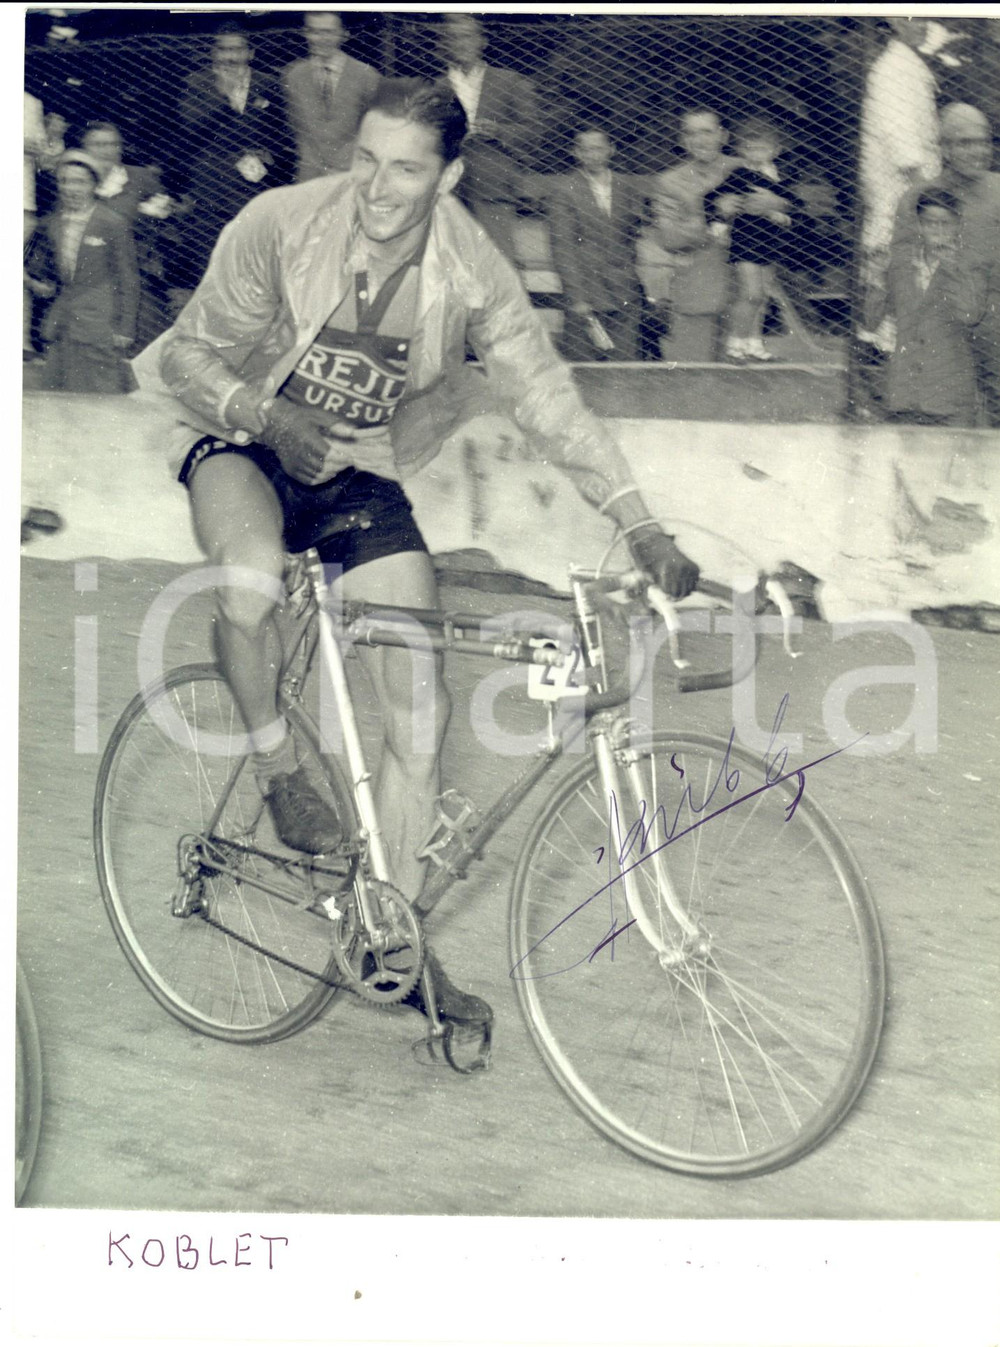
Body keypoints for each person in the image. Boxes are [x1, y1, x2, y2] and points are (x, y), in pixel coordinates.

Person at [131, 78, 700, 1027]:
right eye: (365, 158)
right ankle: (277, 770)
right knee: (252, 576)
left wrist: (640, 521)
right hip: (236, 434)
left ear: (450, 175)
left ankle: (384, 935)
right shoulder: (281, 222)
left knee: (420, 703)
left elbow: (548, 398)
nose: (377, 186)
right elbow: (192, 355)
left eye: (404, 168)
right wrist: (268, 415)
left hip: (353, 467)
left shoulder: (473, 269)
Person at [175, 22, 293, 286]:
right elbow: (192, 131)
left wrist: (267, 154)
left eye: (237, 49)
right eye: (223, 49)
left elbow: (281, 132)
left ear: (250, 53)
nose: (229, 56)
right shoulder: (196, 83)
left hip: (253, 186)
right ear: (213, 53)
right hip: (210, 185)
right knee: (210, 260)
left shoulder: (269, 83)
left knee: (253, 259)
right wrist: (225, 100)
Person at [25, 149, 138, 393]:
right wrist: (37, 284)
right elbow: (50, 276)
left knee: (101, 392)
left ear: (94, 185)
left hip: (99, 322)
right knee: (58, 393)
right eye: (64, 181)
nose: (71, 188)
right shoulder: (53, 223)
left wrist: (125, 328)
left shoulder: (112, 222)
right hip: (64, 322)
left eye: (79, 182)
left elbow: (128, 278)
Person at [866, 189, 979, 424]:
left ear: (958, 225)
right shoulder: (900, 266)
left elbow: (970, 314)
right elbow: (870, 320)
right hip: (906, 390)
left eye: (945, 223)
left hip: (949, 392)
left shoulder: (968, 266)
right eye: (929, 223)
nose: (937, 230)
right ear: (918, 225)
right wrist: (876, 277)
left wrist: (951, 269)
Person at [436, 13, 539, 262]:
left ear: (483, 41)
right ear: (446, 44)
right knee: (454, 257)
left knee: (498, 258)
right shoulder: (439, 85)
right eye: (454, 38)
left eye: (468, 36)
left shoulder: (509, 81)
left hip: (493, 183)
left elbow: (533, 130)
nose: (461, 43)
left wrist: (499, 131)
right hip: (450, 186)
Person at [639, 108, 734, 361]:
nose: (700, 140)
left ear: (723, 135)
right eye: (691, 133)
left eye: (707, 132)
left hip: (747, 294)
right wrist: (716, 217)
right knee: (694, 379)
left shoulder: (745, 170)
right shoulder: (669, 182)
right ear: (683, 140)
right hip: (697, 291)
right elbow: (669, 237)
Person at [546, 125, 645, 361]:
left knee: (625, 363)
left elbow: (631, 238)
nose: (592, 155)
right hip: (587, 290)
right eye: (585, 149)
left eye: (598, 148)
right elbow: (562, 248)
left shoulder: (625, 187)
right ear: (576, 153)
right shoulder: (565, 190)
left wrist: (632, 282)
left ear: (612, 149)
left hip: (623, 291)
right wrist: (576, 297)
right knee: (584, 367)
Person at [704, 118, 798, 363]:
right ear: (742, 150)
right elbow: (714, 198)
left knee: (764, 295)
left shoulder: (779, 176)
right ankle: (735, 344)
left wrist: (779, 212)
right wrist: (719, 222)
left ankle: (754, 345)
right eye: (750, 148)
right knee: (751, 294)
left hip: (770, 240)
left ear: (775, 150)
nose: (756, 154)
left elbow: (792, 205)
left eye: (763, 149)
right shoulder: (740, 174)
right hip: (747, 241)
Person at [281, 11, 380, 182]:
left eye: (328, 32)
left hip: (352, 173)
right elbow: (296, 128)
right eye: (313, 31)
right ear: (305, 33)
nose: (319, 39)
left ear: (343, 34)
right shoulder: (294, 75)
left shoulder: (366, 75)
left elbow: (374, 129)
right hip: (310, 175)